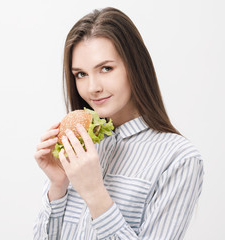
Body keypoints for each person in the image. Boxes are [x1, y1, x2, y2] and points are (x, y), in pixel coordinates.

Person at [33, 7, 204, 240]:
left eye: (106, 69)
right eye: (81, 74)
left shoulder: (178, 159)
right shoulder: (79, 144)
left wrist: (95, 193)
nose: (93, 87)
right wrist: (58, 186)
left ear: (135, 67)